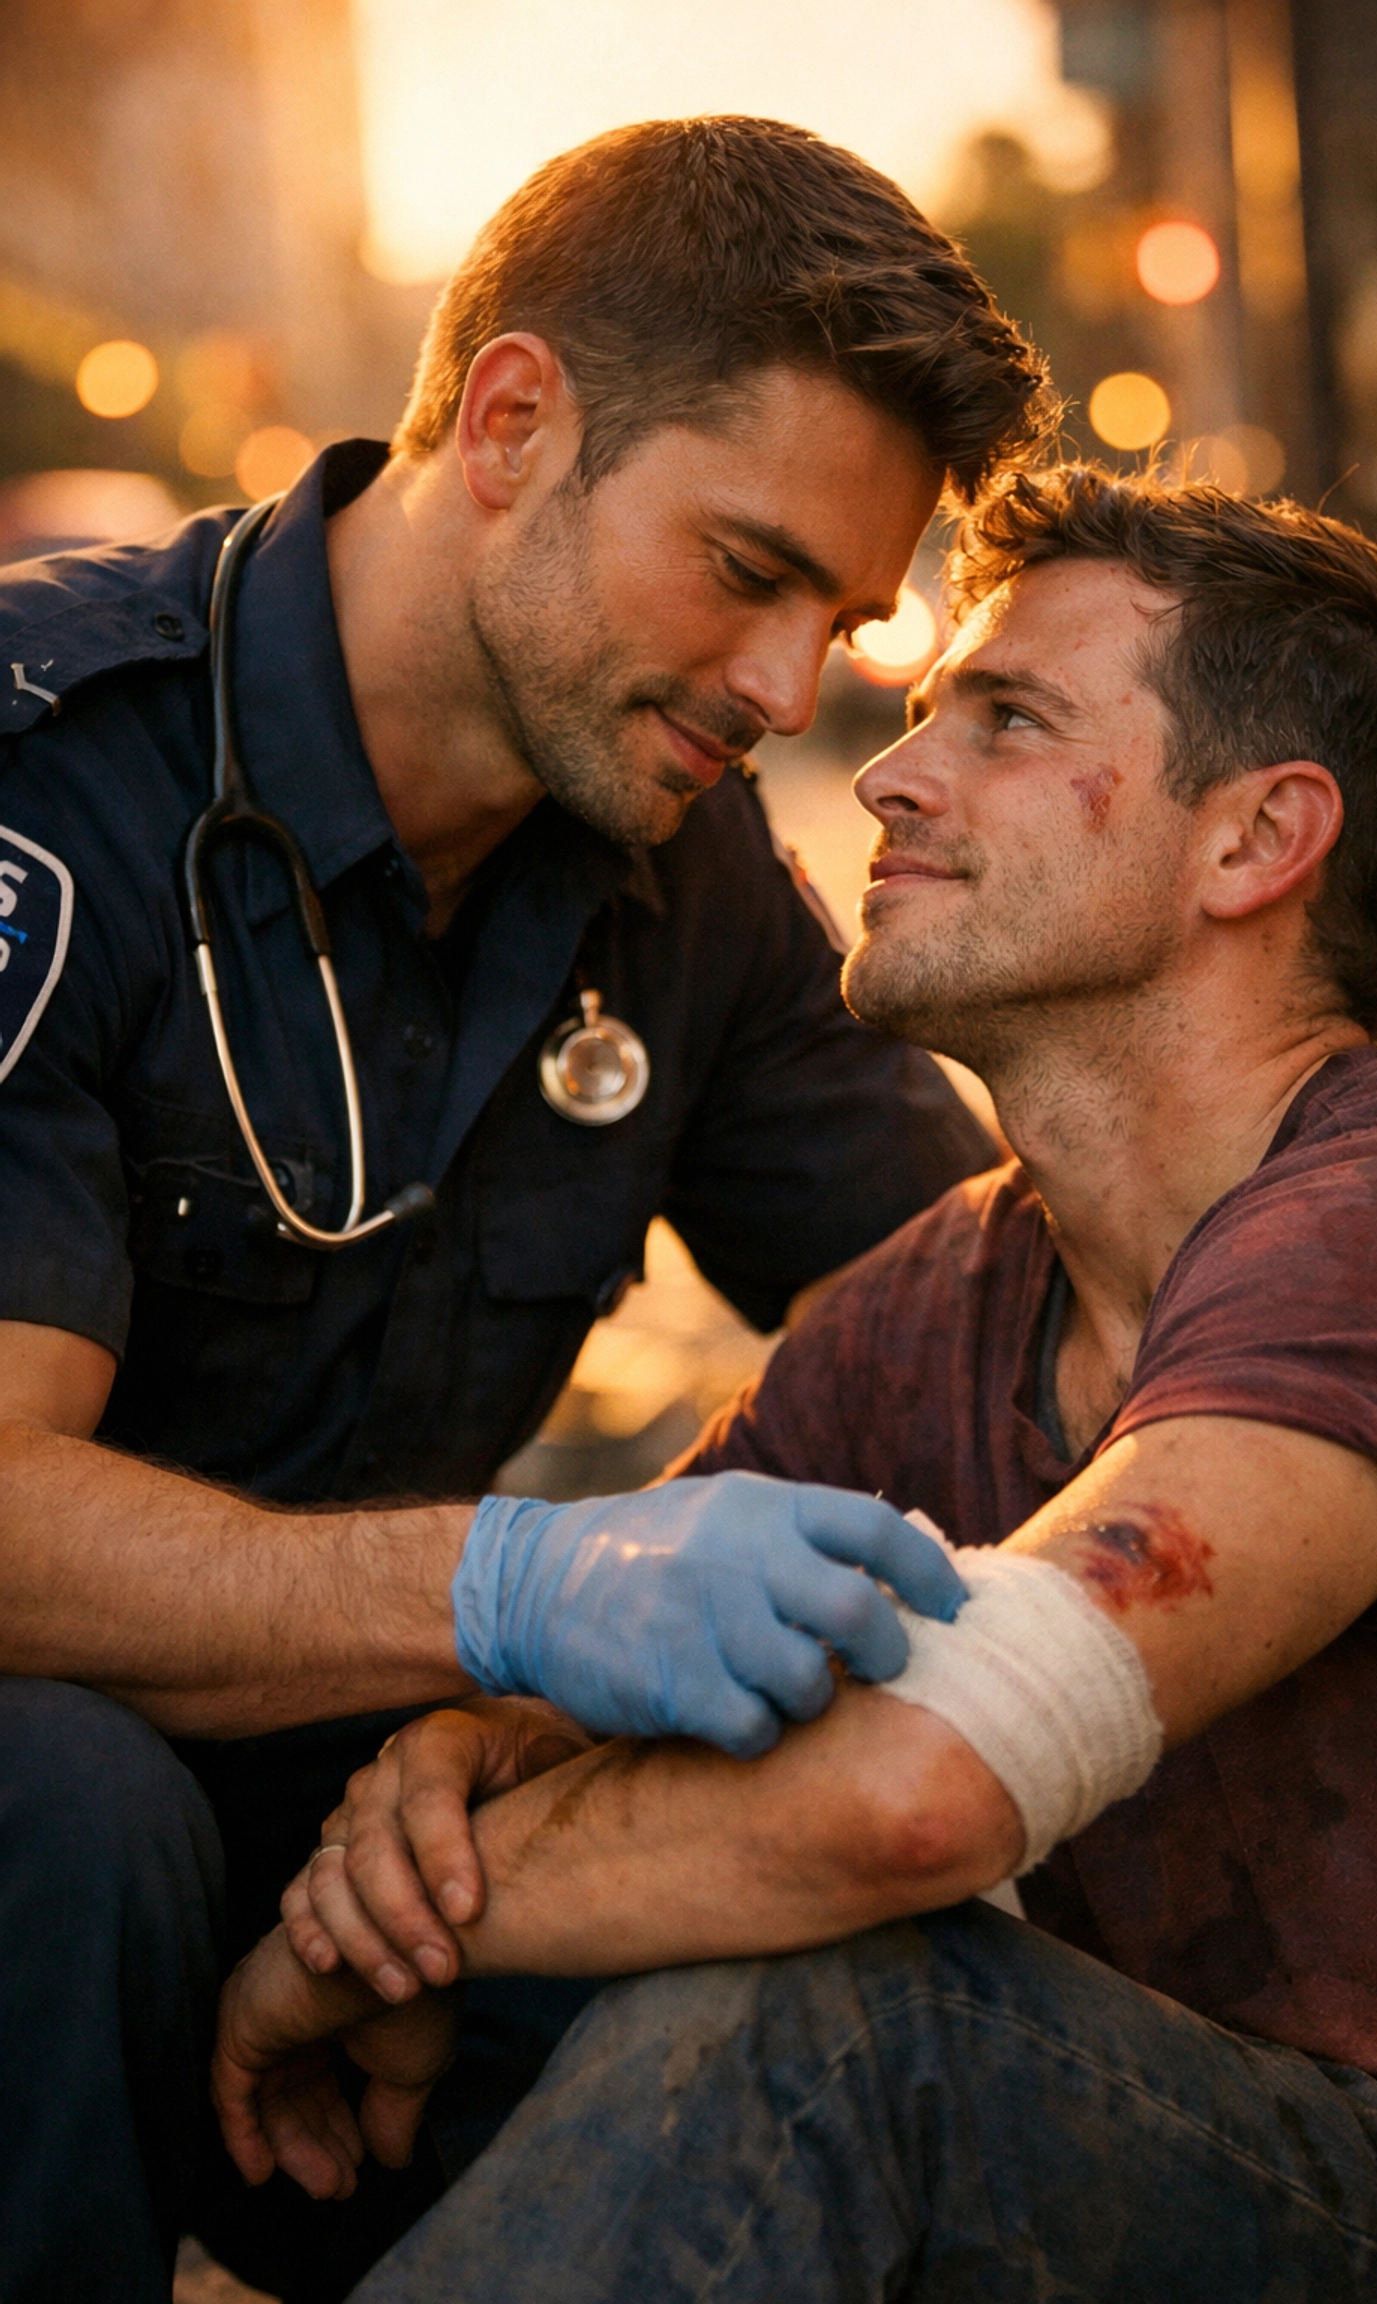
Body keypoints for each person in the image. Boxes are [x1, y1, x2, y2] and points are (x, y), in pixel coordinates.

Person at [218, 464, 1377, 2302]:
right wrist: (456, 1766)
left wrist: (361, 1943)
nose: (890, 777)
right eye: (924, 717)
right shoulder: (946, 1290)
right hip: (1101, 2154)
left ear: (1256, 841)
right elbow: (588, 1696)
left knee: (838, 2015)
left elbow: (923, 1791)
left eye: (1008, 721)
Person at [0, 117, 1051, 2303]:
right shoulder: (50, 778)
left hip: (342, 1794)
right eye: (747, 570)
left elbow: (972, 1326)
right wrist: (519, 1590)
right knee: (66, 1810)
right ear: (510, 424)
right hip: (55, 1784)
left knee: (815, 1974)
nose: (788, 693)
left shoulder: (674, 859)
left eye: (843, 623)